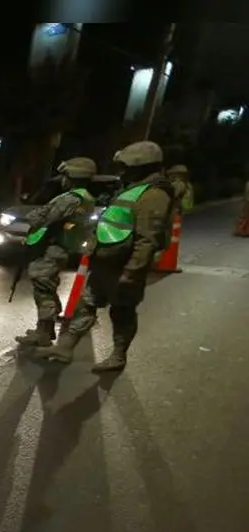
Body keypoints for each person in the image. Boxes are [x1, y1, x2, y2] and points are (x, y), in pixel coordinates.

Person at [36, 141, 174, 372]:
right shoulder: (133, 189)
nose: (122, 171)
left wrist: (133, 272)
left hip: (125, 266)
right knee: (85, 304)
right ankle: (65, 348)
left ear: (142, 166)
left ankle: (118, 356)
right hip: (106, 263)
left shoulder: (154, 195)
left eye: (126, 167)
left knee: (121, 313)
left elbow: (146, 239)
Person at [14, 157, 98, 347]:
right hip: (60, 247)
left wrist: (33, 215)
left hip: (53, 248)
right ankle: (44, 328)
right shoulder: (85, 197)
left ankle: (43, 333)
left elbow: (40, 218)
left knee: (44, 289)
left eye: (64, 175)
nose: (62, 179)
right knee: (46, 287)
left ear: (71, 176)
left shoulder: (71, 198)